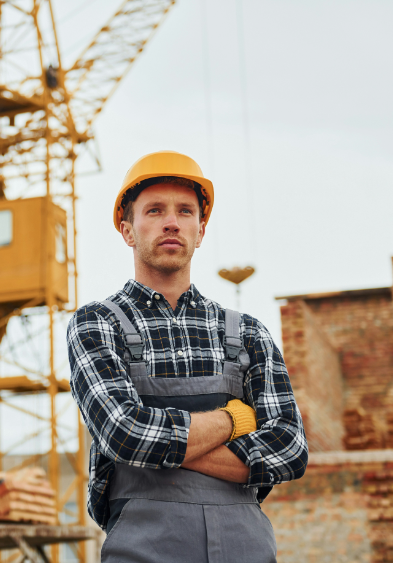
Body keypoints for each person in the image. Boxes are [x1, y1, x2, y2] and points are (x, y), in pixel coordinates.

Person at [67, 151, 308, 562]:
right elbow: (125, 433)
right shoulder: (97, 324)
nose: (171, 221)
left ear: (201, 229)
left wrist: (162, 454)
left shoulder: (248, 332)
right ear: (127, 229)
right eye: (155, 210)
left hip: (245, 549)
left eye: (185, 211)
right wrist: (234, 420)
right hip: (144, 549)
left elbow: (288, 447)